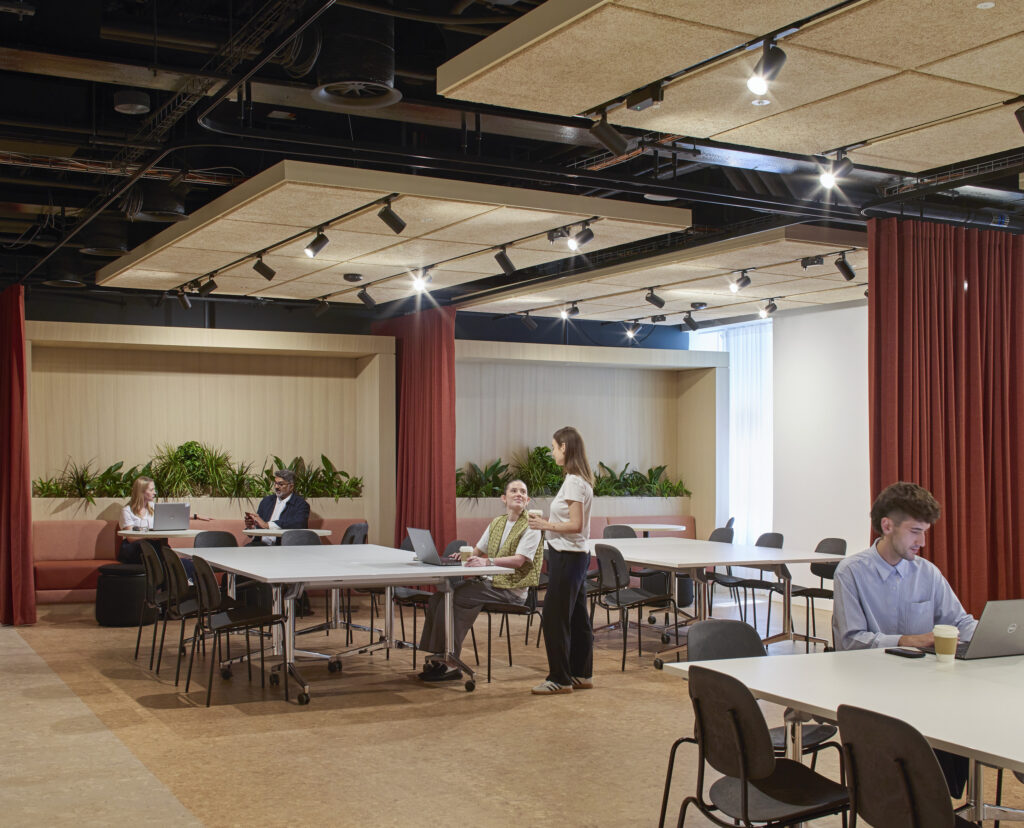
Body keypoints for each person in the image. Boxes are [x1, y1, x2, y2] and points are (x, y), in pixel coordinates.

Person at [832, 480, 977, 796]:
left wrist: (993, 636)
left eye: (924, 532)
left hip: (924, 689)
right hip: (871, 692)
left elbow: (961, 622)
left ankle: (942, 797)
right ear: (887, 526)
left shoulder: (927, 573)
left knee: (968, 713)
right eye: (915, 531)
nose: (922, 541)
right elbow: (850, 642)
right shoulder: (851, 572)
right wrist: (905, 640)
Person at [417, 479, 543, 682]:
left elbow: (519, 561)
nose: (519, 494)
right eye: (513, 490)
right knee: (438, 598)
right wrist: (464, 555)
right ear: (504, 498)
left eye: (523, 492)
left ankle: (450, 663)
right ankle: (437, 658)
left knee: (456, 596)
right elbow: (478, 549)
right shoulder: (497, 522)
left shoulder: (532, 525)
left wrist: (486, 562)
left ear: (527, 500)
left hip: (512, 589)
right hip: (490, 584)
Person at [528, 426, 594, 695]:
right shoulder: (579, 480)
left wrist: (545, 524)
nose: (552, 452)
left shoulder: (573, 482)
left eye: (554, 447)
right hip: (574, 557)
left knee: (554, 619)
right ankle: (580, 673)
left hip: (567, 557)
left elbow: (576, 525)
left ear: (564, 448)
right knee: (577, 618)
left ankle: (559, 678)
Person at [244, 469, 310, 546]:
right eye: (275, 483)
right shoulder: (266, 501)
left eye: (280, 484)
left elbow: (299, 524)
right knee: (247, 549)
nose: (276, 487)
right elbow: (259, 526)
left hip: (283, 546)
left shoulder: (300, 505)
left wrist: (267, 525)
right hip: (261, 545)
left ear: (291, 487)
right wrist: (252, 527)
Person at [117, 476, 164, 564]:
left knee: (164, 548)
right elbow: (131, 538)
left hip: (153, 545)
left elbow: (170, 516)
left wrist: (193, 517)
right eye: (151, 490)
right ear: (141, 492)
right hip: (134, 548)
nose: (154, 493)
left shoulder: (154, 507)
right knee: (149, 547)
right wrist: (150, 536)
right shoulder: (127, 511)